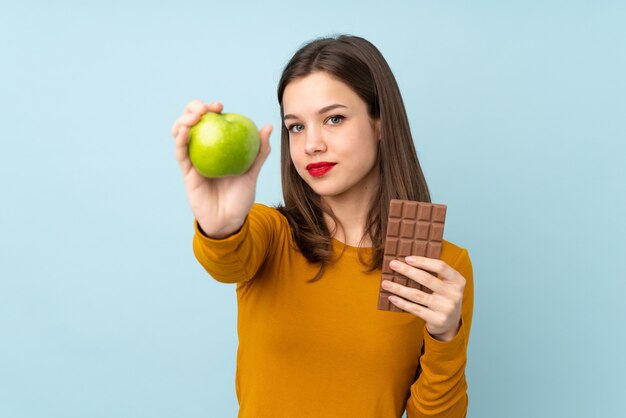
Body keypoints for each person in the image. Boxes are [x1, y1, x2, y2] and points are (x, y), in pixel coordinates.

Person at [170, 34, 474, 418]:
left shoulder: (435, 266)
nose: (312, 144)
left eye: (334, 119)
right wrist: (219, 227)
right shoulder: (270, 233)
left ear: (380, 123)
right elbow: (226, 263)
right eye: (296, 127)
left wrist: (445, 337)